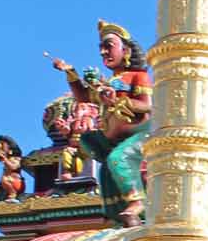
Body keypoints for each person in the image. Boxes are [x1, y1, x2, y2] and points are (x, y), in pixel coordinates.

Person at [49, 22, 151, 224]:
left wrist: (118, 101)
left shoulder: (138, 76)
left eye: (109, 46)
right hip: (113, 138)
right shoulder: (109, 81)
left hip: (141, 134)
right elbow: (83, 97)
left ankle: (138, 202)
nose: (104, 52)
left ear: (127, 50)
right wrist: (70, 72)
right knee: (92, 146)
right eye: (101, 48)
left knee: (118, 159)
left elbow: (147, 106)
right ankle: (119, 210)